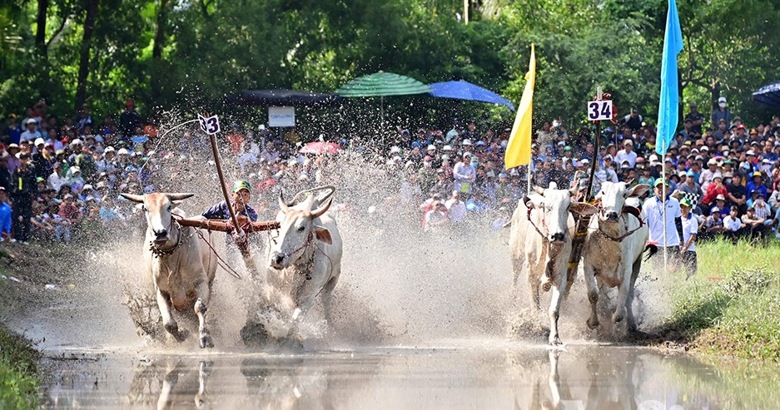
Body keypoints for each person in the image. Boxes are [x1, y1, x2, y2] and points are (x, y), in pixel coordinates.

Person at [201, 180, 258, 244]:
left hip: (248, 243)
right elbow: (204, 216)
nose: (241, 198)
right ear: (232, 195)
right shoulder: (224, 205)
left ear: (249, 198)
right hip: (226, 243)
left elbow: (246, 222)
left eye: (245, 195)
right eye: (239, 194)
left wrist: (238, 217)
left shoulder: (252, 213)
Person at [643, 178, 682, 265]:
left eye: (663, 187)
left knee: (675, 268)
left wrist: (681, 239)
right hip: (655, 243)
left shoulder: (674, 202)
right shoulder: (648, 203)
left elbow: (678, 221)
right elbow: (644, 223)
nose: (661, 190)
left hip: (672, 242)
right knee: (657, 269)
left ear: (668, 189)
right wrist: (645, 240)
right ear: (654, 190)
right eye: (659, 188)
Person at [679, 198, 698, 278]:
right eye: (682, 207)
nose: (684, 209)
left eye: (686, 207)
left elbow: (693, 236)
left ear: (690, 208)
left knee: (691, 274)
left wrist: (684, 249)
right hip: (677, 249)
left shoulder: (692, 220)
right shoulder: (677, 219)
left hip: (689, 250)